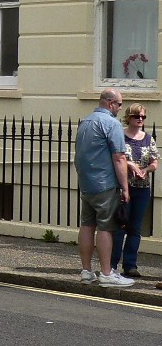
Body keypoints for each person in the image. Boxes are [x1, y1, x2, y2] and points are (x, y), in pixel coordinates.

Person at [73, 88, 134, 287]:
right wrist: (125, 187)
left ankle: (86, 272)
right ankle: (107, 273)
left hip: (86, 184)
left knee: (87, 225)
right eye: (119, 104)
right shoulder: (112, 123)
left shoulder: (85, 122)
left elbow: (79, 154)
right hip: (105, 183)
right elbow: (119, 157)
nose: (120, 108)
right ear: (110, 103)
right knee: (106, 228)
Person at [111, 103, 158, 277]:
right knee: (120, 226)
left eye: (143, 117)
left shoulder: (148, 138)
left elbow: (154, 161)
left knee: (135, 228)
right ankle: (112, 265)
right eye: (136, 116)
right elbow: (116, 157)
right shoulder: (121, 136)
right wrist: (130, 164)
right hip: (124, 187)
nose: (140, 119)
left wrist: (146, 170)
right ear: (128, 117)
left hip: (142, 188)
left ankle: (130, 265)